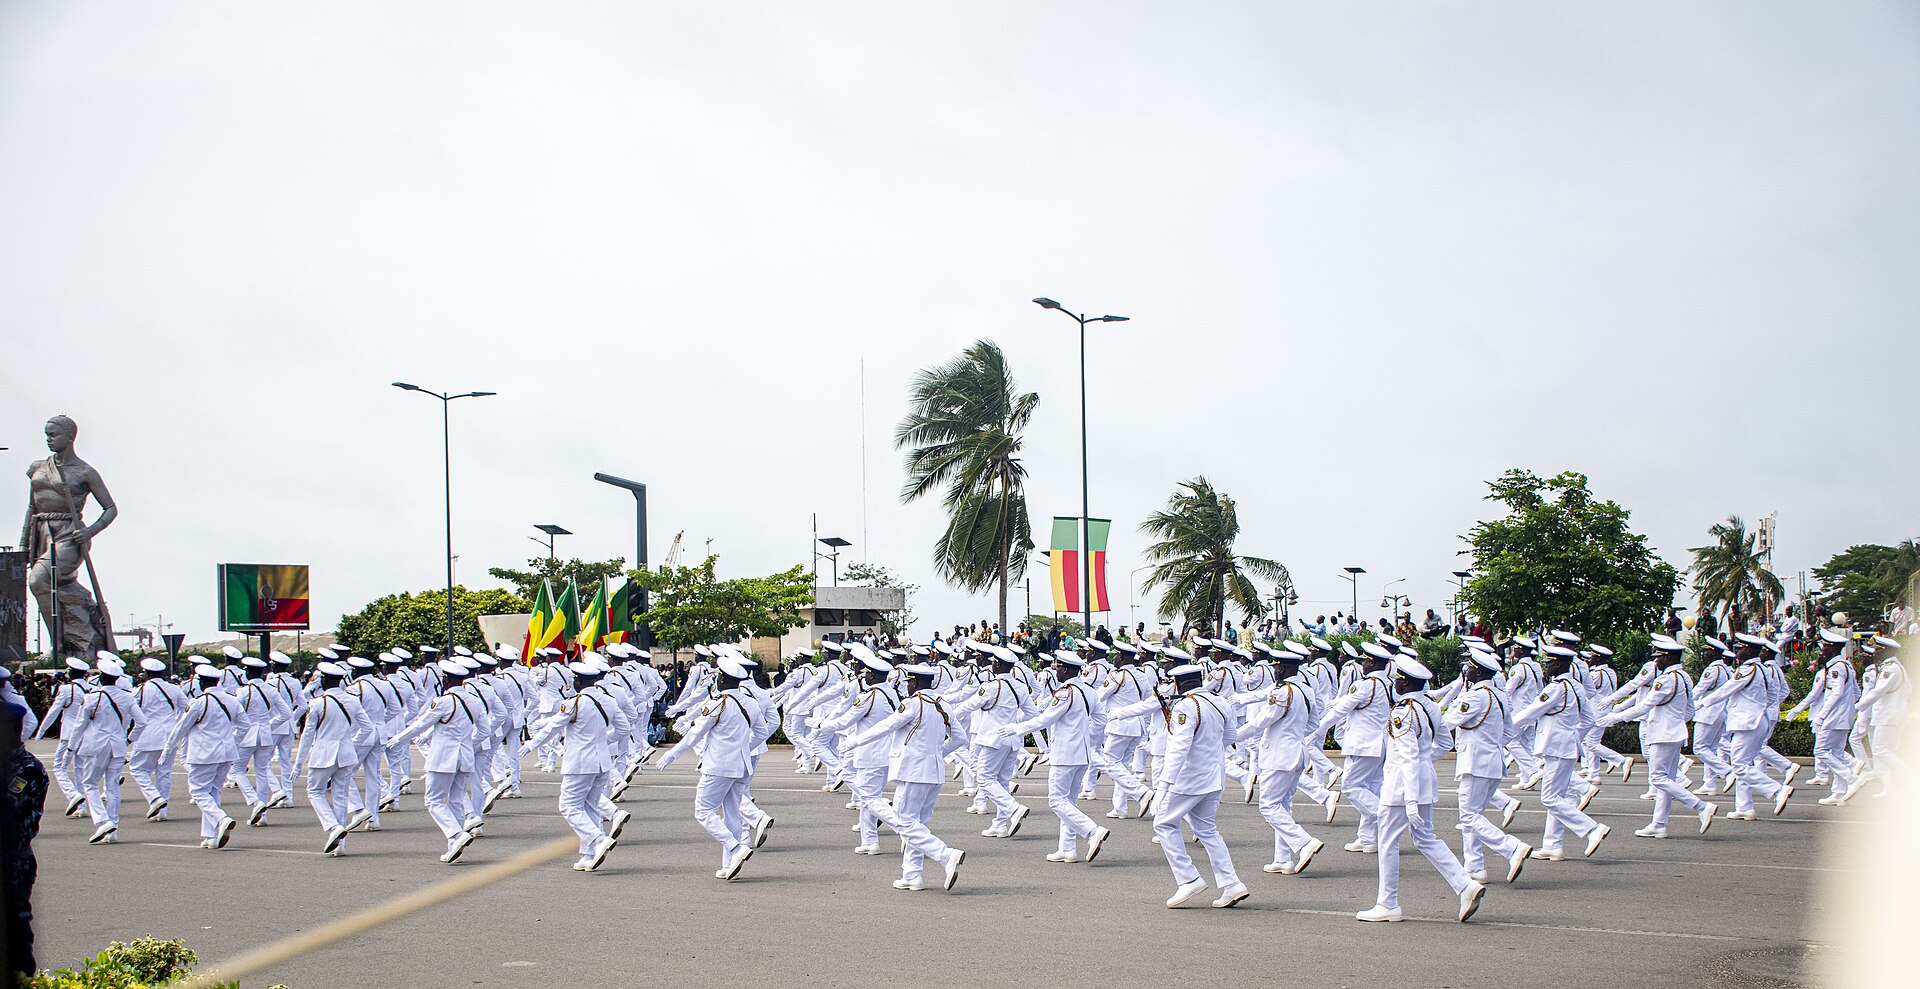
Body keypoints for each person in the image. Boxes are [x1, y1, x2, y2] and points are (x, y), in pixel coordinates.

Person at [1359, 654, 1486, 923]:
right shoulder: (1429, 706)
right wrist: (1423, 762)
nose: (1395, 684)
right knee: (1426, 838)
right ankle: (1465, 885)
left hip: (1402, 787)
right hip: (1423, 780)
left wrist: (1411, 800)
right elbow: (1443, 743)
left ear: (1405, 684)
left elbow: (1407, 756)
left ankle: (1388, 903)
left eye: (1398, 681)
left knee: (1388, 843)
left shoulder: (1404, 711)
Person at [980, 651, 1112, 865]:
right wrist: (1087, 738)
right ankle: (1067, 848)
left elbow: (1043, 720)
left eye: (1058, 666)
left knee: (1057, 800)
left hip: (1065, 754)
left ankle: (1092, 831)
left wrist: (1016, 728)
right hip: (1082, 753)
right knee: (1069, 801)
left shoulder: (1065, 694)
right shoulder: (1089, 691)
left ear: (1067, 669)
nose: (1055, 669)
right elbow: (1101, 720)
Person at [844, 664, 968, 891]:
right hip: (935, 772)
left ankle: (945, 855)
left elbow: (885, 726)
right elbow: (960, 738)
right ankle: (912, 875)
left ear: (914, 682)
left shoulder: (913, 704)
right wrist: (938, 754)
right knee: (916, 824)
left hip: (913, 771)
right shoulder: (943, 704)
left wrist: (855, 741)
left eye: (908, 682)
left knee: (904, 822)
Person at [655, 656, 773, 880]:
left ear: (724, 678)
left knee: (703, 810)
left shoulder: (719, 703)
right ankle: (729, 864)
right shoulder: (751, 703)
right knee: (731, 813)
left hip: (719, 766)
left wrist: (672, 754)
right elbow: (761, 732)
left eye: (719, 676)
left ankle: (736, 849)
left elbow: (694, 735)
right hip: (741, 765)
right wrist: (743, 748)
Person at [1149, 661, 1248, 908]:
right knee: (1207, 830)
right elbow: (1231, 737)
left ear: (1178, 683)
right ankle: (1232, 883)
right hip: (1214, 777)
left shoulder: (1187, 706)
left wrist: (1163, 787)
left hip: (1189, 779)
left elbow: (1178, 749)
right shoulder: (1219, 701)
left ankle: (1188, 878)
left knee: (1163, 823)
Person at [1596, 638, 1716, 837]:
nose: (1656, 662)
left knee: (1658, 778)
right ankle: (1658, 824)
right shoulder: (1684, 677)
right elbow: (1690, 710)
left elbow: (1644, 706)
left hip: (1662, 734)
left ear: (1668, 658)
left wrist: (1615, 718)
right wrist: (1675, 722)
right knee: (1665, 779)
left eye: (1658, 657)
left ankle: (1701, 806)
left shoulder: (1665, 680)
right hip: (1675, 733)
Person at [528, 659, 633, 873]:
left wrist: (531, 743)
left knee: (568, 806)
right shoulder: (608, 701)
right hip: (602, 762)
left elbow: (552, 729)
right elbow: (624, 728)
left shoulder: (574, 703)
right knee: (590, 806)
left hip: (580, 763)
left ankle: (598, 838)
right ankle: (588, 854)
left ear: (580, 681)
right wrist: (604, 742)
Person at [1509, 645, 1610, 861]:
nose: (1547, 666)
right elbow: (1589, 720)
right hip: (1566, 747)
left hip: (1555, 748)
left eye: (1550, 662)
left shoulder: (1554, 689)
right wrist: (1572, 735)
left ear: (1560, 664)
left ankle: (1592, 829)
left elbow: (1529, 713)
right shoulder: (1576, 686)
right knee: (1558, 796)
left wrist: (1504, 730)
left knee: (1550, 798)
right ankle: (1552, 845)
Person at [1441, 649, 1532, 883]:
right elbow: (1509, 732)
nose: (1466, 670)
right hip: (1492, 761)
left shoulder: (1474, 696)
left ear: (1478, 671)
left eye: (1469, 667)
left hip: (1476, 763)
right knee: (1474, 815)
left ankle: (1511, 848)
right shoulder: (1500, 695)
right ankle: (1474, 866)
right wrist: (1491, 746)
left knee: (1469, 816)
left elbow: (1448, 723)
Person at [164, 664, 243, 850]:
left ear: (203, 682)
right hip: (226, 752)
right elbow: (244, 725)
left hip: (204, 753)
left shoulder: (199, 702)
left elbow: (181, 728)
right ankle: (210, 836)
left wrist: (168, 749)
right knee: (214, 791)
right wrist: (231, 740)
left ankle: (221, 818)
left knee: (198, 792)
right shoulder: (232, 700)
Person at [291, 662, 367, 856]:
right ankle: (340, 844)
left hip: (323, 754)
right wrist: (351, 742)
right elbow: (367, 728)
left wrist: (299, 763)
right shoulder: (352, 701)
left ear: (324, 681)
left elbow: (307, 736)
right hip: (346, 754)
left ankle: (333, 827)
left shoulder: (318, 703)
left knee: (315, 792)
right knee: (341, 795)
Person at [1, 697, 48, 975]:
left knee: (16, 929)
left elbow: (17, 822)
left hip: (14, 863)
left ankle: (26, 976)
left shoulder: (28, 770)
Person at [73, 654, 134, 844]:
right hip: (117, 746)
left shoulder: (93, 698)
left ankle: (102, 821)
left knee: (89, 783)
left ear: (100, 677)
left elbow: (80, 724)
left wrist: (71, 746)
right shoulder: (127, 697)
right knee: (113, 785)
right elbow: (141, 722)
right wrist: (127, 740)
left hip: (96, 746)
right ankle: (113, 829)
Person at [127, 658, 185, 821]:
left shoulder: (140, 691)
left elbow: (131, 713)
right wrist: (178, 725)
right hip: (169, 735)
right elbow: (187, 708)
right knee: (164, 772)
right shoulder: (174, 689)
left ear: (146, 674)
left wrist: (129, 735)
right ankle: (162, 810)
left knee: (138, 769)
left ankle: (154, 797)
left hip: (148, 735)